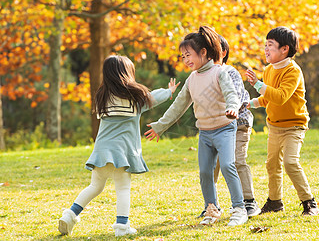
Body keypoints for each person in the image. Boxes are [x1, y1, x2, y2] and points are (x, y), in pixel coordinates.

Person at [58, 55, 180, 237]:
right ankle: (122, 226)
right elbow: (153, 97)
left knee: (94, 186)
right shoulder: (135, 99)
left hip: (102, 151)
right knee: (122, 188)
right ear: (127, 73)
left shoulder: (101, 98)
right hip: (122, 153)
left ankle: (70, 215)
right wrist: (169, 91)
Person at [145, 26, 248, 226]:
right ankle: (211, 209)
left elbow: (231, 94)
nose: (186, 60)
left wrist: (233, 108)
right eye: (183, 57)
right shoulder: (192, 79)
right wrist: (160, 126)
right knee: (205, 172)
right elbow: (178, 106)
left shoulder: (220, 73)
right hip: (205, 133)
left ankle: (239, 208)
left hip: (225, 128)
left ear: (203, 52)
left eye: (188, 55)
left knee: (227, 165)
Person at [246, 26, 319, 216]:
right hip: (274, 126)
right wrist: (250, 103)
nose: (266, 49)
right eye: (265, 45)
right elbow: (268, 98)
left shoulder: (292, 71)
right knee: (272, 165)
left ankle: (309, 202)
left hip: (294, 126)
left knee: (290, 162)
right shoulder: (269, 70)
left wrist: (257, 84)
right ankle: (274, 202)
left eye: (270, 45)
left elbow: (280, 96)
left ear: (284, 49)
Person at [203, 36, 260, 218]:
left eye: (211, 52)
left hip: (238, 123)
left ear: (223, 53)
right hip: (214, 127)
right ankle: (211, 205)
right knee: (210, 167)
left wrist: (230, 110)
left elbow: (235, 97)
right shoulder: (203, 75)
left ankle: (249, 201)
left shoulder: (230, 72)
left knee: (236, 161)